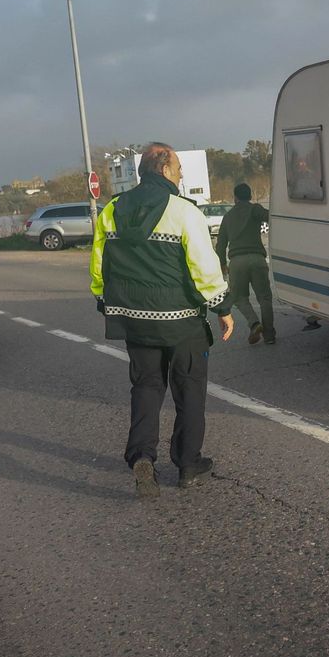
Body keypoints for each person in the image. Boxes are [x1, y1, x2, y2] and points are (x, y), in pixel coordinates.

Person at [91, 142, 235, 499]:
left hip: (135, 321)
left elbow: (99, 264)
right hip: (182, 322)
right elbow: (204, 267)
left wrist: (104, 301)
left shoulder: (111, 210)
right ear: (165, 168)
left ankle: (142, 456)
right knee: (190, 390)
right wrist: (223, 307)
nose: (182, 174)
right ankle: (188, 465)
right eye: (179, 168)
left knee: (146, 387)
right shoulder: (183, 211)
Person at [216, 182, 275, 345]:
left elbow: (220, 243)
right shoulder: (255, 209)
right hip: (257, 259)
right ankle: (269, 336)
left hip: (236, 262)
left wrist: (222, 264)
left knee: (239, 297)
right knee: (264, 298)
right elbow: (271, 217)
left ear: (235, 198)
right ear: (249, 196)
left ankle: (254, 323)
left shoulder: (228, 216)